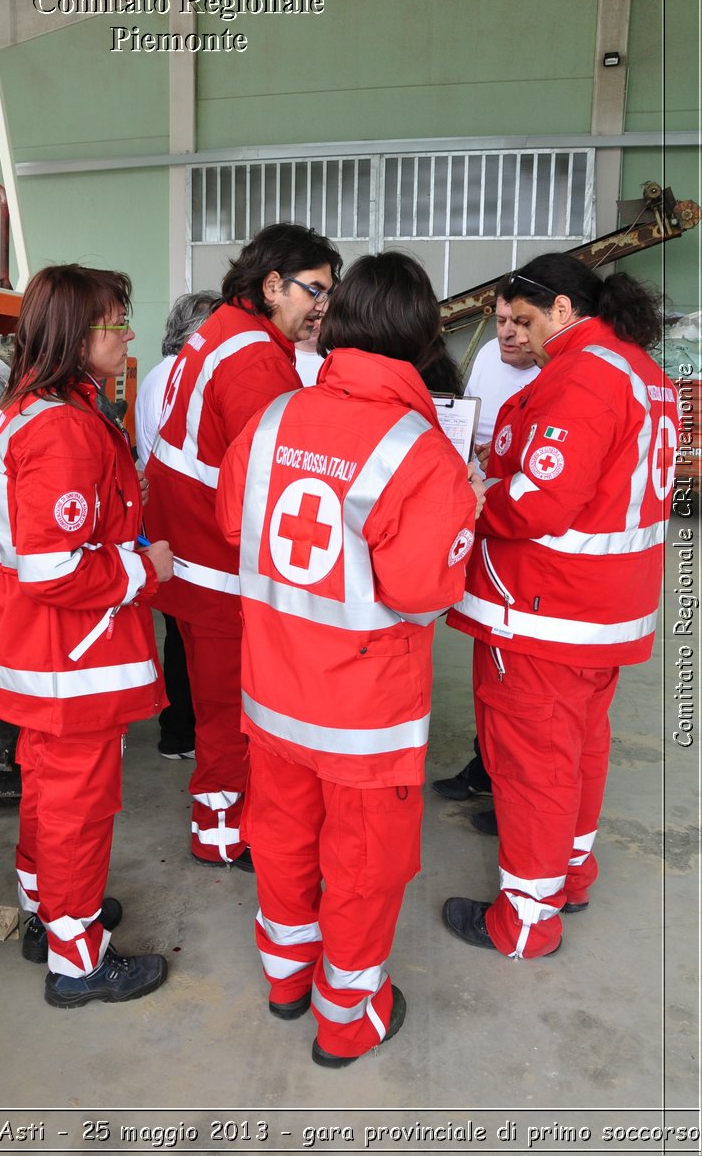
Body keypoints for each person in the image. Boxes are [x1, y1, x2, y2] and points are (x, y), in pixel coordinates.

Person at [216, 251, 481, 1067]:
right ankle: (348, 1017)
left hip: (272, 695)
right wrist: (460, 512)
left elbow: (234, 528)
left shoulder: (270, 422)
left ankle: (287, 979)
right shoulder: (420, 451)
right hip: (362, 718)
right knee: (364, 865)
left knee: (284, 838)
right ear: (423, 337)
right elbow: (420, 594)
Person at [444, 252, 678, 958]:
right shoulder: (643, 372)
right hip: (606, 609)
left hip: (545, 610)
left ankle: (522, 923)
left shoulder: (583, 380)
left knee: (531, 765)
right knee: (578, 749)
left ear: (564, 311)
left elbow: (539, 502)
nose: (514, 335)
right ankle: (569, 874)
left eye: (523, 320)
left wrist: (470, 498)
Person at [0, 264, 173, 1007]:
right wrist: (143, 567)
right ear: (77, 335)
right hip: (67, 656)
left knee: (50, 793)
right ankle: (78, 960)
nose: (128, 334)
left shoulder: (37, 408)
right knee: (76, 809)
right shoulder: (63, 430)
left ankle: (48, 916)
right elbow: (54, 571)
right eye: (116, 322)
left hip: (35, 650)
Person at [144, 223, 342, 871]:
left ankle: (224, 816)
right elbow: (273, 483)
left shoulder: (223, 330)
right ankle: (222, 831)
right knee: (230, 710)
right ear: (272, 285)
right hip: (220, 571)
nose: (321, 306)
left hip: (193, 557)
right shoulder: (255, 360)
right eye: (313, 290)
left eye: (328, 294)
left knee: (214, 702)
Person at [432, 280, 540, 830]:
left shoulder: (552, 375)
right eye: (500, 322)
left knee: (519, 682)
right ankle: (485, 765)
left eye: (520, 323)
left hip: (521, 538)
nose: (508, 333)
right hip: (483, 523)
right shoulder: (487, 366)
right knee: (489, 665)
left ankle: (510, 790)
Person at [135, 290, 220, 761]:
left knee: (179, 628)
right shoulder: (184, 377)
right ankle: (183, 732)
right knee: (192, 631)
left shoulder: (157, 375)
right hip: (183, 520)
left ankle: (178, 730)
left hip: (164, 515)